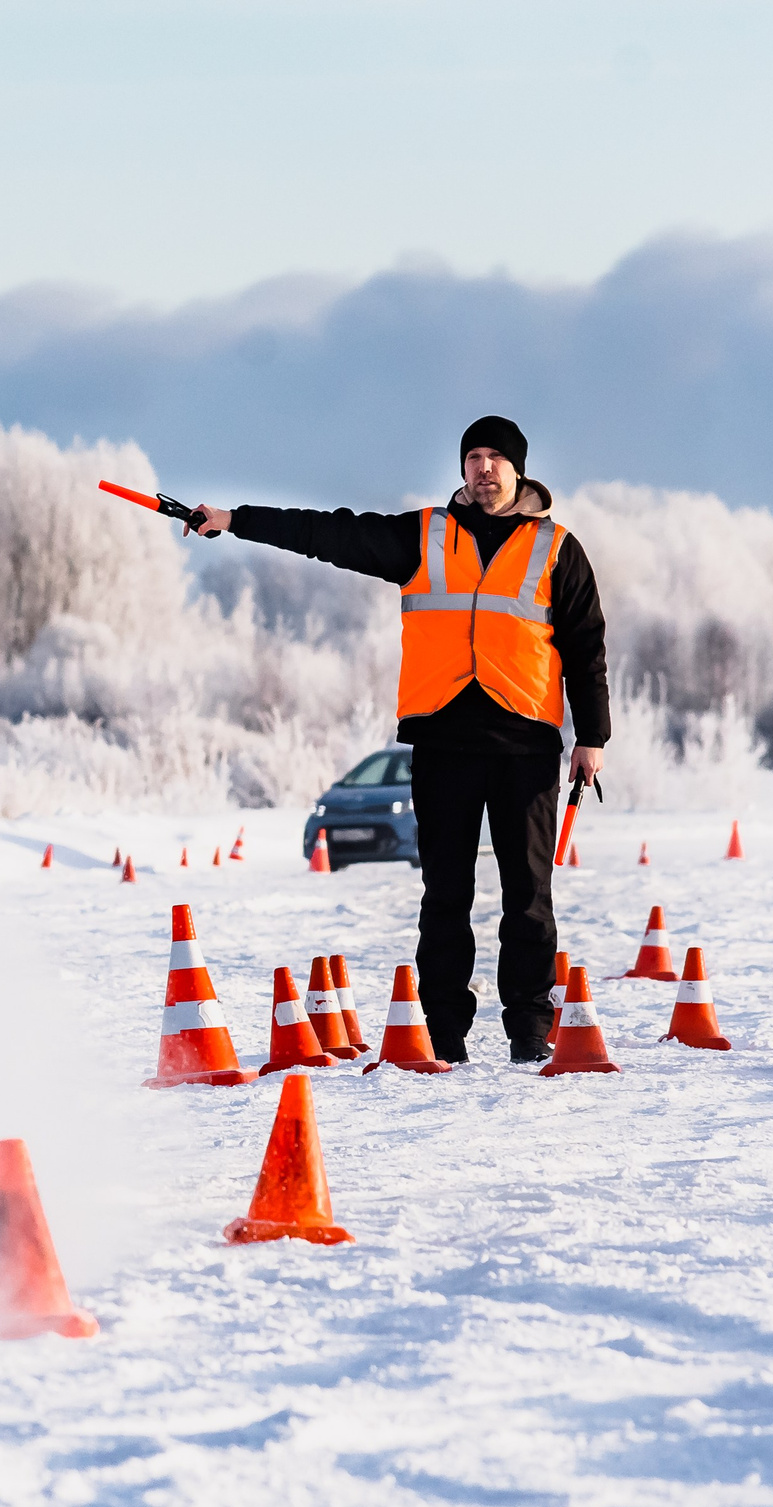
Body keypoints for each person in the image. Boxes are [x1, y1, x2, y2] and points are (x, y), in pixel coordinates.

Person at [183, 416, 609, 1063]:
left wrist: (593, 734)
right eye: (474, 456)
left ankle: (529, 1027)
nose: (484, 467)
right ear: (462, 468)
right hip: (443, 741)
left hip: (525, 744)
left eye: (496, 457)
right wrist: (234, 518)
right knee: (445, 894)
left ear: (518, 469)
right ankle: (441, 1032)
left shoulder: (556, 548)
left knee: (529, 895)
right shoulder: (424, 537)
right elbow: (328, 533)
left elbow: (586, 644)